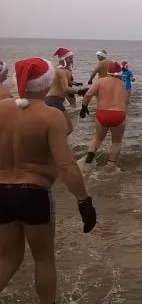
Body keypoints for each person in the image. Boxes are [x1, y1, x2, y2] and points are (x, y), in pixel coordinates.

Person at [0, 57, 97, 304]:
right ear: (47, 83)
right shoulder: (51, 116)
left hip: (2, 192)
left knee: (7, 258)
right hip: (35, 193)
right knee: (43, 259)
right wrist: (84, 201)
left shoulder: (1, 108)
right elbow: (66, 164)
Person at [80, 62, 129, 170]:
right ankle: (110, 165)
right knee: (116, 141)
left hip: (102, 113)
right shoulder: (123, 84)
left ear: (108, 71)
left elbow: (88, 95)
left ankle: (88, 161)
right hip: (118, 114)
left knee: (97, 138)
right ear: (119, 73)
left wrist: (84, 107)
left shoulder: (100, 81)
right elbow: (126, 101)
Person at [46, 47, 85, 135]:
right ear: (63, 59)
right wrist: (79, 91)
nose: (72, 61)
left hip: (50, 99)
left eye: (72, 58)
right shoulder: (62, 71)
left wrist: (75, 83)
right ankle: (58, 141)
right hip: (55, 101)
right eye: (70, 59)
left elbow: (62, 82)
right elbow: (66, 88)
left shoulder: (56, 68)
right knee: (69, 128)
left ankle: (52, 140)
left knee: (55, 127)